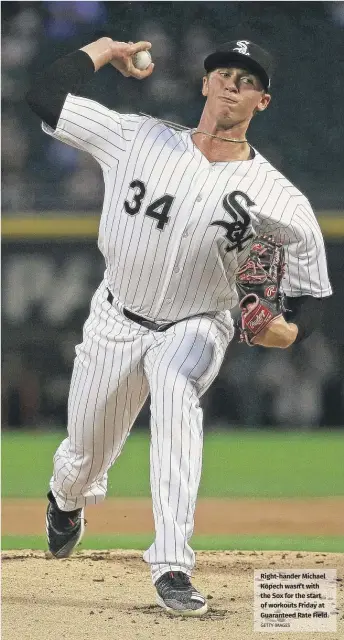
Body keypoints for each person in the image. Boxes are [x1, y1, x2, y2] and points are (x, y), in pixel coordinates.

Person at [26, 37, 332, 616]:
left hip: (197, 323)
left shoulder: (280, 199)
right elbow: (40, 95)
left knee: (173, 388)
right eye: (222, 73)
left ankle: (172, 564)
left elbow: (312, 300)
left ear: (262, 101)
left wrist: (282, 333)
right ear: (203, 85)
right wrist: (103, 50)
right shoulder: (137, 136)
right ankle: (66, 500)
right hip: (115, 317)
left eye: (245, 79)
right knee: (82, 454)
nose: (231, 84)